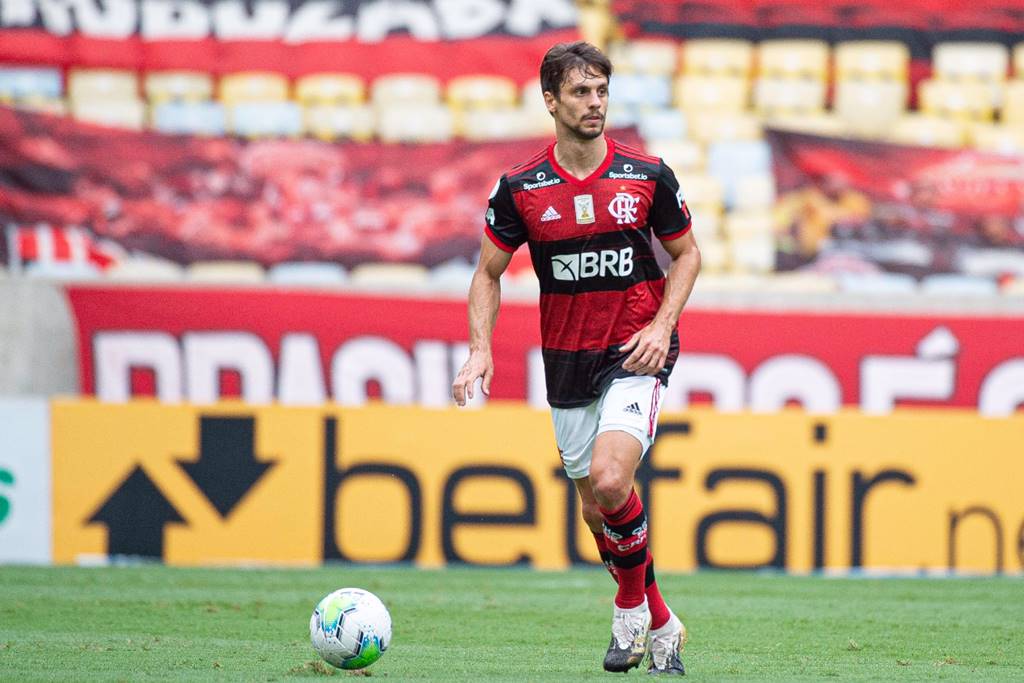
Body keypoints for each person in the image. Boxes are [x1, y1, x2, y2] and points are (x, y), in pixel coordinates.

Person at [452, 41, 701, 676]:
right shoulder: (521, 188)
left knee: (614, 480)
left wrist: (663, 324)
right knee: (596, 508)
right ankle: (664, 621)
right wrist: (479, 348)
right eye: (581, 93)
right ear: (551, 101)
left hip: (636, 350)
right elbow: (488, 273)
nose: (594, 104)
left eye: (601, 92)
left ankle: (627, 610)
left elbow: (688, 254)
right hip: (566, 362)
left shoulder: (647, 175)